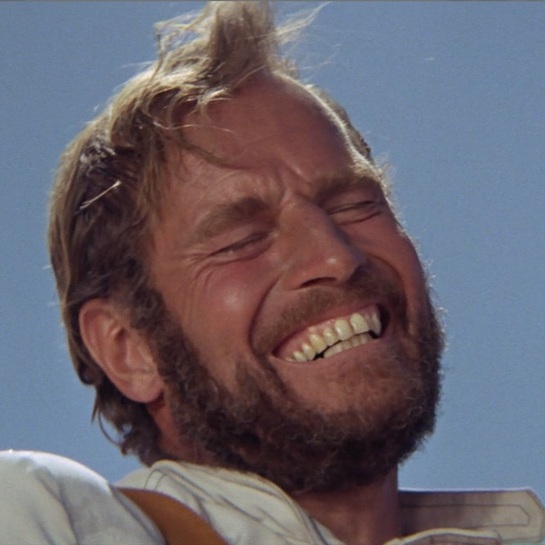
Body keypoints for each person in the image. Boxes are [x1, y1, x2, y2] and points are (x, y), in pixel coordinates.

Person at [1, 2, 543, 545]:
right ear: (128, 349)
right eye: (243, 240)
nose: (335, 257)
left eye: (353, 205)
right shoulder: (43, 515)